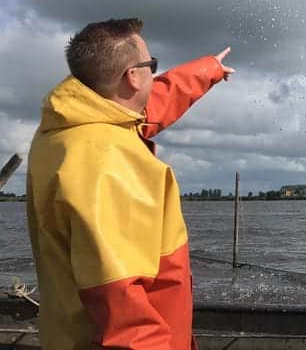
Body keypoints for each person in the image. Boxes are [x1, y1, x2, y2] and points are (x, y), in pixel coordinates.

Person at [26, 18, 234, 349]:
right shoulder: (107, 164)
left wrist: (206, 70)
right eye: (151, 65)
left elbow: (146, 109)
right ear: (133, 77)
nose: (154, 72)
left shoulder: (71, 127)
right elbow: (123, 311)